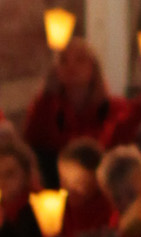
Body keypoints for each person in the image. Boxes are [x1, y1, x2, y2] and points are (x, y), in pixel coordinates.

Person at [23, 38, 126, 181]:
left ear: (93, 67)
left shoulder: (113, 108)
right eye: (64, 61)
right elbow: (33, 141)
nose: (71, 66)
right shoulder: (47, 108)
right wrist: (47, 94)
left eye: (80, 60)